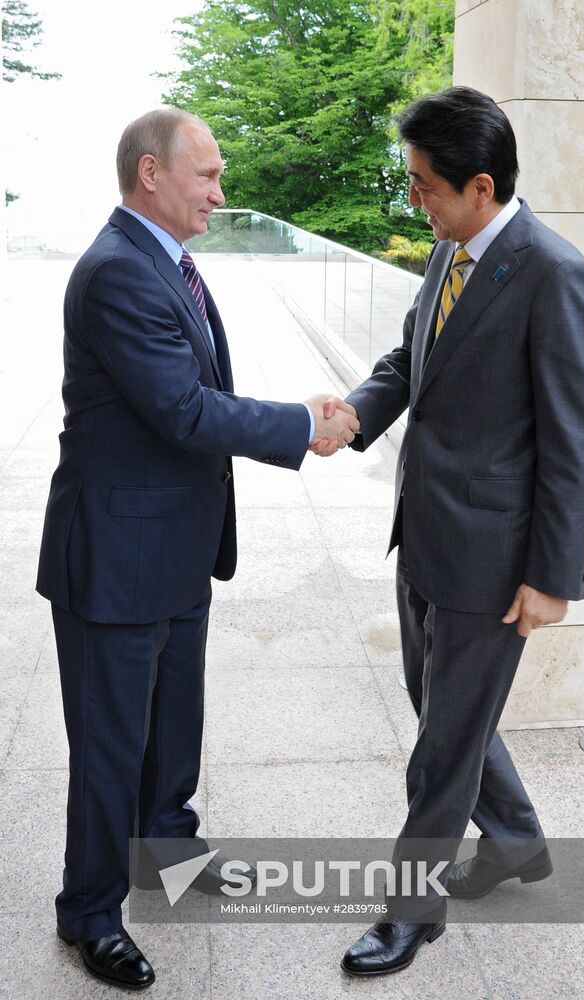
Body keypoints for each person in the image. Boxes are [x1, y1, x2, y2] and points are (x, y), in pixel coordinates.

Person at [36, 107, 359, 990]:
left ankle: (167, 854)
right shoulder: (117, 273)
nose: (221, 193)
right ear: (151, 174)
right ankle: (90, 911)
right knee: (111, 744)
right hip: (115, 558)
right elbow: (184, 409)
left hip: (175, 547)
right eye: (207, 176)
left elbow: (194, 400)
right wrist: (304, 424)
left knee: (171, 723)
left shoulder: (165, 261)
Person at [316, 86, 584, 977]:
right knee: (447, 713)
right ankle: (515, 837)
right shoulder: (450, 253)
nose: (414, 200)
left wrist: (551, 576)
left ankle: (412, 912)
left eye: (423, 187)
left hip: (493, 559)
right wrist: (353, 418)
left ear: (478, 186)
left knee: (442, 745)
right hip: (426, 537)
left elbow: (574, 440)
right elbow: (410, 360)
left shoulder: (557, 275)